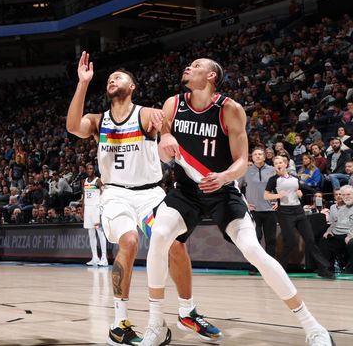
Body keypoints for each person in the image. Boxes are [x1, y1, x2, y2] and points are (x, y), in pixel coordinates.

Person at [140, 58, 335, 346]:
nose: (187, 68)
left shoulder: (229, 109)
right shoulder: (173, 104)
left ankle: (313, 326)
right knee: (159, 236)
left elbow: (242, 161)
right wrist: (165, 137)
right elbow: (162, 152)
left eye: (195, 65)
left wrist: (223, 177)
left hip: (222, 190)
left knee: (254, 251)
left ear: (210, 76)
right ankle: (156, 325)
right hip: (185, 190)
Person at [66, 53, 220, 346]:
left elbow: (165, 121)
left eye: (119, 76)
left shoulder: (146, 113)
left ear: (133, 86)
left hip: (150, 194)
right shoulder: (100, 121)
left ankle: (187, 311)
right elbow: (73, 127)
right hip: (115, 194)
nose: (113, 79)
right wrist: (83, 83)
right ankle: (119, 323)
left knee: (175, 243)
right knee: (129, 241)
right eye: (110, 78)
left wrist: (164, 132)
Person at [263, 154, 334, 276]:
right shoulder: (273, 180)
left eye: (280, 163)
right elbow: (266, 195)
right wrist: (277, 196)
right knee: (290, 242)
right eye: (276, 163)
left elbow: (305, 189)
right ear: (274, 167)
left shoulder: (295, 178)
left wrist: (307, 193)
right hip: (285, 213)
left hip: (299, 211)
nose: (278, 165)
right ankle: (280, 269)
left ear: (285, 164)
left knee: (310, 240)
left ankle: (323, 268)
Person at [241, 147, 278, 258]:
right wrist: (244, 203)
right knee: (255, 239)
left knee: (271, 240)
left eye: (260, 154)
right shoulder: (245, 171)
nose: (257, 156)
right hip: (253, 211)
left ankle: (271, 265)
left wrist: (279, 201)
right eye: (255, 154)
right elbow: (236, 188)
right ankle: (255, 266)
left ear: (264, 156)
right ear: (252, 157)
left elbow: (281, 186)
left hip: (270, 210)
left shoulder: (272, 170)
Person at [320, 184, 353, 274]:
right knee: (324, 240)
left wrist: (350, 235)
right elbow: (335, 223)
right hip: (338, 234)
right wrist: (329, 231)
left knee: (351, 243)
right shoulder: (342, 209)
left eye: (348, 194)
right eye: (344, 195)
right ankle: (328, 268)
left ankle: (350, 269)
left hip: (349, 235)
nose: (346, 197)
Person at [81, 164, 108, 267]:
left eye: (91, 168)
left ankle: (104, 258)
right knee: (91, 233)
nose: (89, 170)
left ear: (94, 170)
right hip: (88, 209)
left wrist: (102, 207)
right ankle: (95, 257)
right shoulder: (84, 181)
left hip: (96, 209)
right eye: (88, 168)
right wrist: (83, 210)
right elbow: (84, 196)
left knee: (100, 232)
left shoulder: (98, 180)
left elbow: (105, 193)